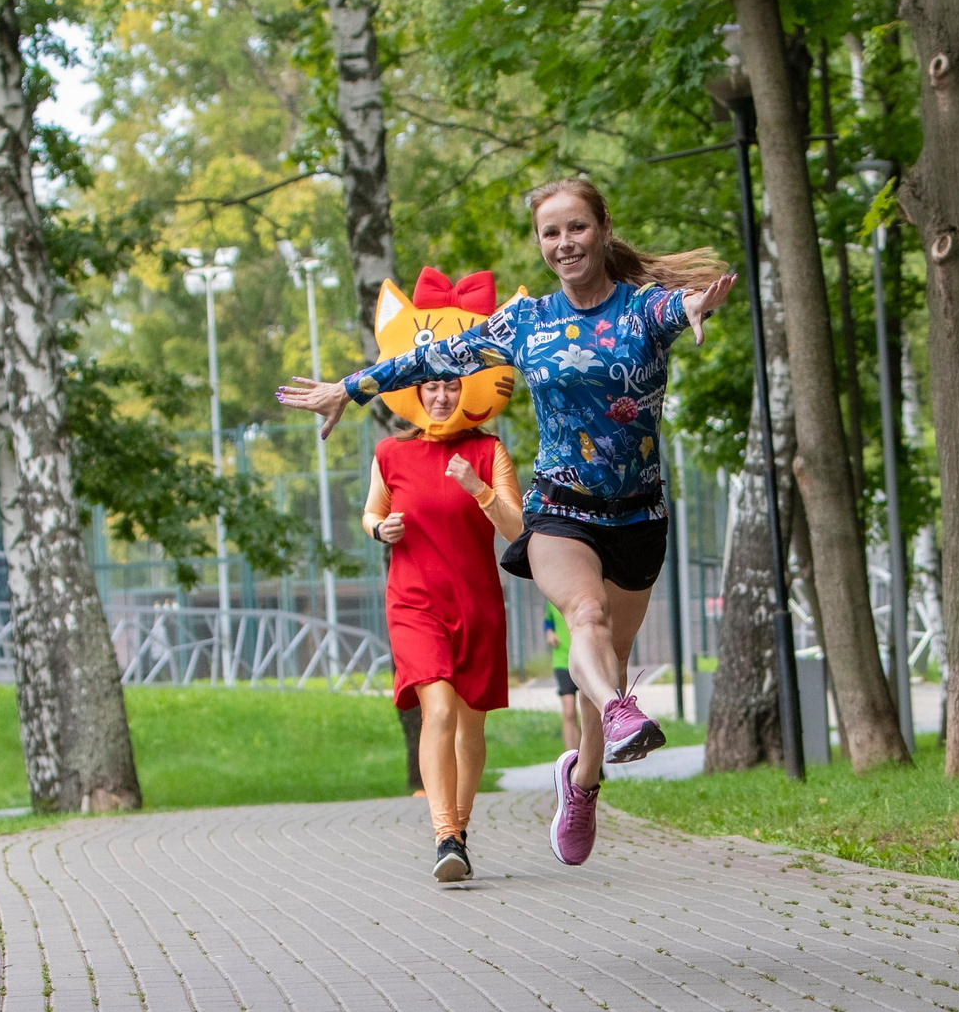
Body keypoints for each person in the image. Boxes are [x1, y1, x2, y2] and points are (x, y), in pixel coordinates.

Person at [279, 177, 734, 869]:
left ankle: (582, 781)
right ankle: (619, 715)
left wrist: (698, 305)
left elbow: (681, 304)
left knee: (603, 656)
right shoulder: (527, 324)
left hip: (639, 514)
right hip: (560, 508)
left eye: (576, 228)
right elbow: (432, 355)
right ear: (540, 244)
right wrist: (347, 387)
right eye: (551, 233)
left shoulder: (644, 310)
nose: (564, 243)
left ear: (603, 229)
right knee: (585, 616)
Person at [364, 375, 520, 882]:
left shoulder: (488, 450)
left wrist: (477, 488)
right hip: (413, 602)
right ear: (415, 393)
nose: (441, 396)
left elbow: (517, 529)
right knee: (438, 708)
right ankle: (444, 835)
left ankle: (460, 831)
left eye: (452, 386)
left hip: (476, 605)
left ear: (468, 391)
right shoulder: (390, 453)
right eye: (431, 387)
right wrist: (378, 529)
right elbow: (372, 511)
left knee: (471, 723)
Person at [544, 603, 579, 752]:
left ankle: (592, 762)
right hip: (562, 659)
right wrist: (549, 633)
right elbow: (548, 621)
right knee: (569, 711)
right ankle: (571, 758)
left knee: (590, 712)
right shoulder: (552, 596)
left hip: (585, 659)